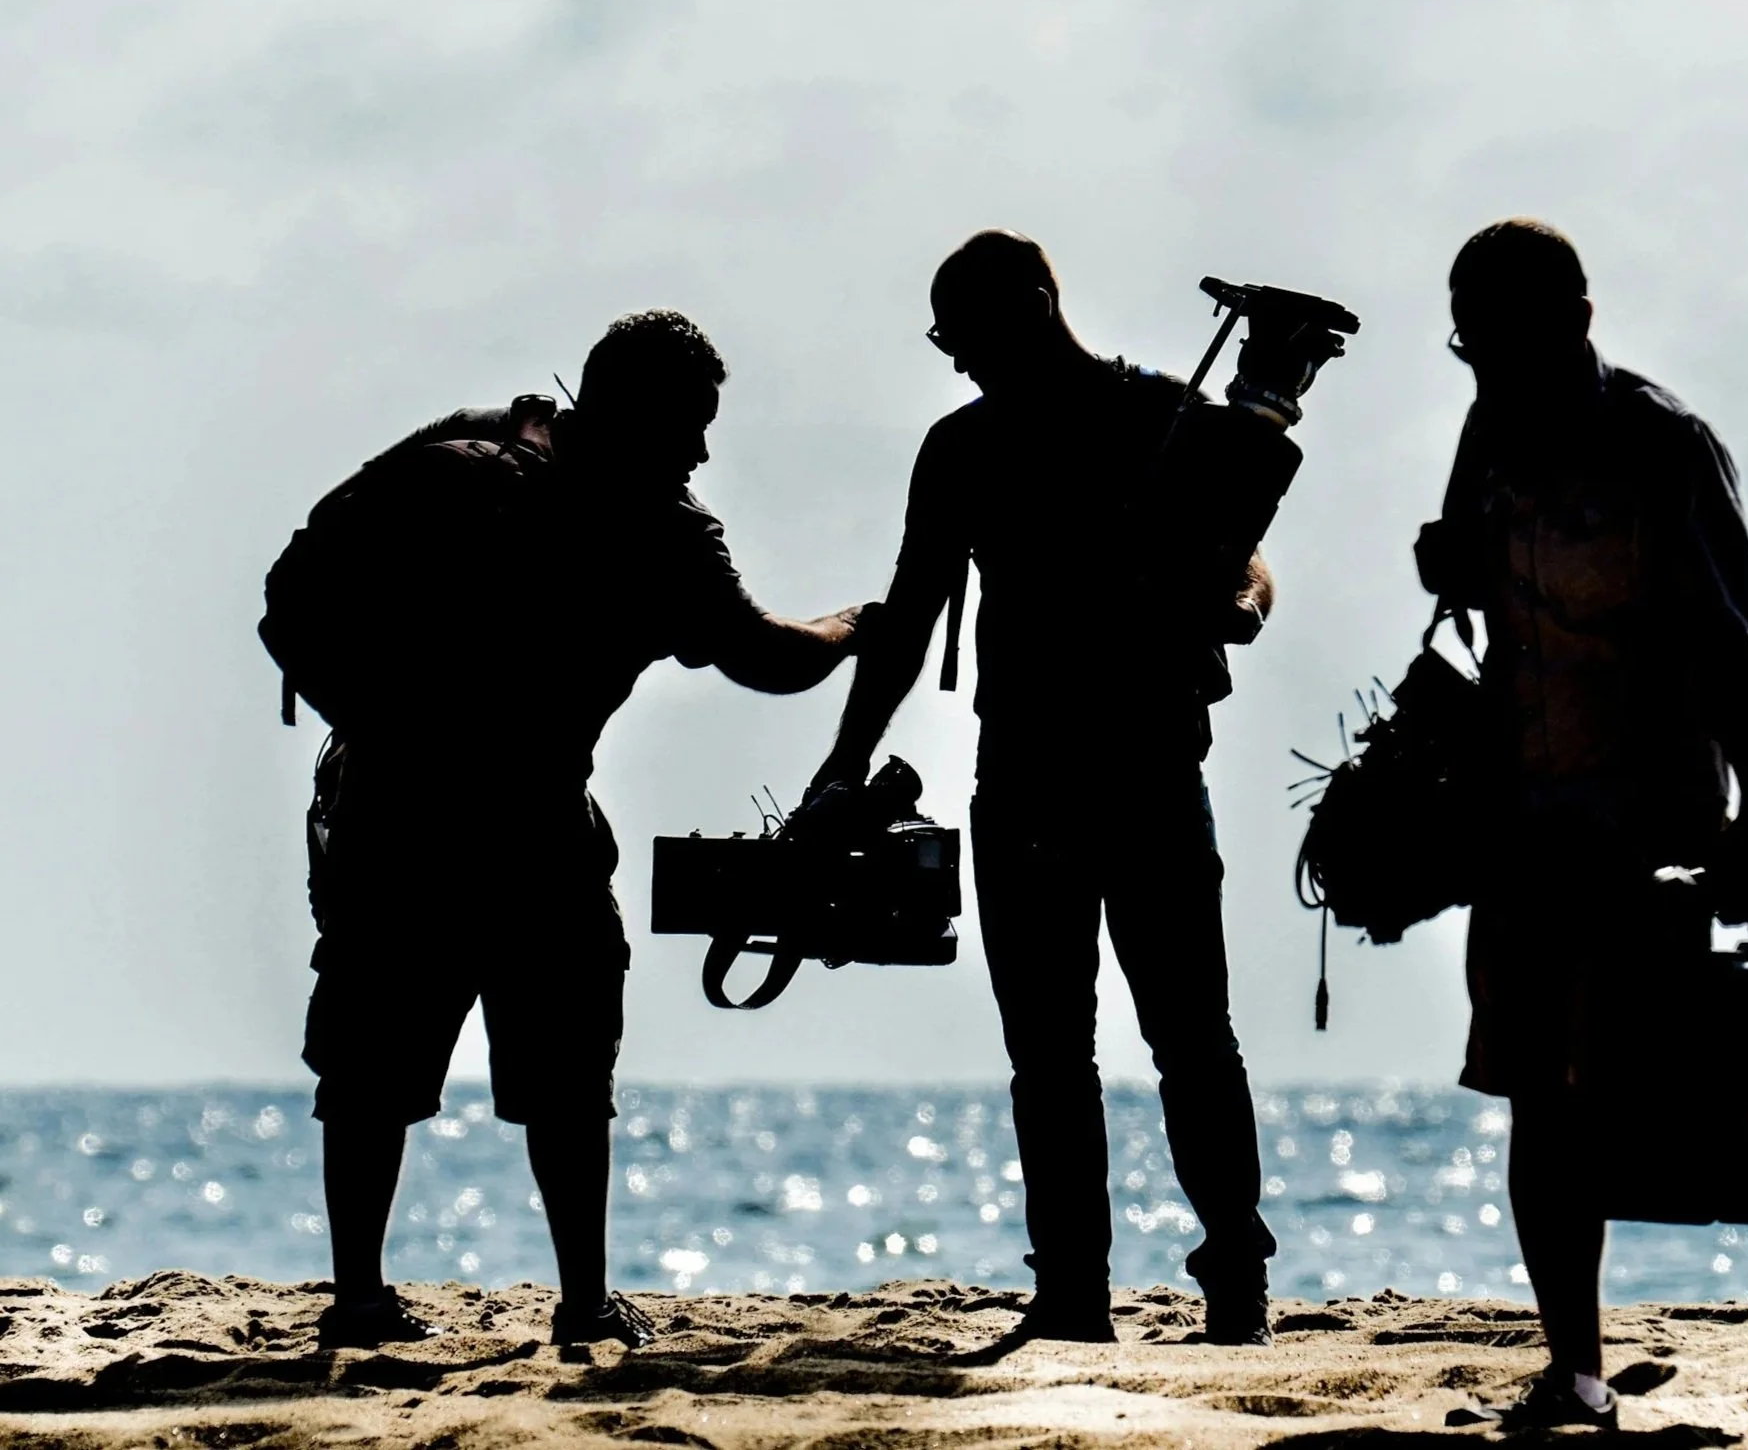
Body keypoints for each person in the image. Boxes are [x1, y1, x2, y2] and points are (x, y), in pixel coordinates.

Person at [260, 310, 864, 1350]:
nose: (700, 450)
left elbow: (288, 599)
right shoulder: (666, 534)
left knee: (370, 1071)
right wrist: (854, 627)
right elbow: (766, 657)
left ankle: (361, 1296)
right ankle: (582, 1301)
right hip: (535, 833)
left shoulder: (464, 446)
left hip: (390, 815)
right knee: (567, 1078)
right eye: (690, 423)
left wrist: (369, 726)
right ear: (636, 413)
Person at [812, 230, 1341, 1346]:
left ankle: (1231, 1283)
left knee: (1186, 1038)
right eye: (948, 342)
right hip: (1033, 775)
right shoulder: (964, 447)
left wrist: (1244, 602)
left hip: (1143, 768)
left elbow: (1241, 553)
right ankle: (1072, 1293)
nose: (961, 359)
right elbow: (910, 615)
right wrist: (844, 760)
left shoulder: (1164, 412)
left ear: (1040, 303)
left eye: (969, 336)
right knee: (1059, 1053)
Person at [1416, 220, 1748, 1427]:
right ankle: (1576, 1371)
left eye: (1506, 341)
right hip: (1519, 814)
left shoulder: (1664, 443)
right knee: (1539, 1091)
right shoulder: (1486, 430)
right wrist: (1445, 563)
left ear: (1576, 319)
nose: (1487, 368)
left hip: (1649, 815)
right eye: (1470, 346)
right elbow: (1470, 581)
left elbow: (1733, 641)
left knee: (1664, 1081)